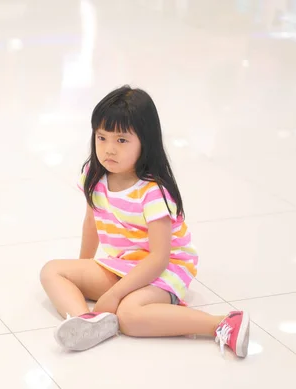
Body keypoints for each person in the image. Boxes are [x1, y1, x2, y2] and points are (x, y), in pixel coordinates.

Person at [40, 85, 249, 357]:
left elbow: (160, 258)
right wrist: (83, 269)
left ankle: (221, 323)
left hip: (164, 269)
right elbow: (91, 222)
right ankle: (88, 322)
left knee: (129, 315)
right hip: (125, 264)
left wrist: (114, 295)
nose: (109, 150)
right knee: (51, 271)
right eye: (101, 138)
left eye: (122, 140)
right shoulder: (94, 174)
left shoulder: (153, 191)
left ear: (145, 142)